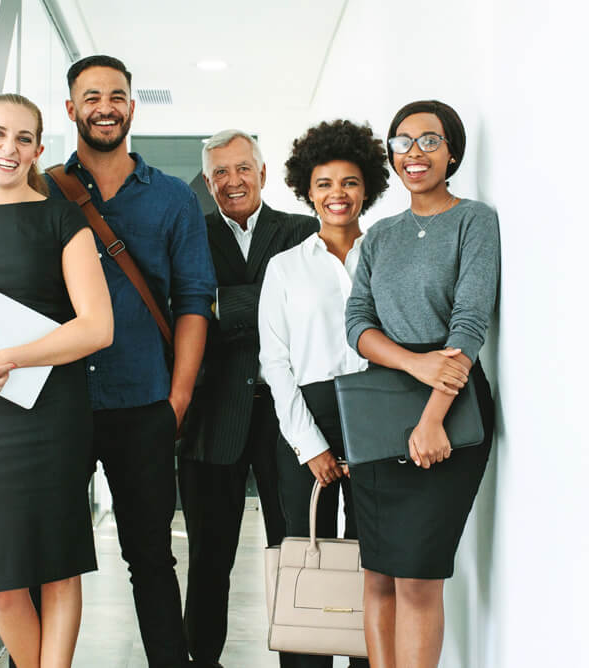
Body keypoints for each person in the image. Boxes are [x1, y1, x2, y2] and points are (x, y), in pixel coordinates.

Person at [0, 93, 113, 668]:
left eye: (25, 138)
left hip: (51, 413)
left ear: (37, 150)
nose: (10, 148)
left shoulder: (60, 217)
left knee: (57, 566)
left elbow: (97, 327)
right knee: (2, 583)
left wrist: (14, 357)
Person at [43, 55, 216, 668]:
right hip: (57, 401)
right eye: (91, 97)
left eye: (116, 95)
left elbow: (194, 300)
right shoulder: (42, 192)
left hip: (144, 400)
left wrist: (178, 398)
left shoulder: (171, 199)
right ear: (71, 110)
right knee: (47, 557)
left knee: (150, 556)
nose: (105, 107)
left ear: (132, 107)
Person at [345, 100, 499, 668]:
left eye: (429, 141)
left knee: (416, 578)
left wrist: (433, 416)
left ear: (452, 151)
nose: (415, 153)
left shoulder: (474, 220)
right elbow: (357, 323)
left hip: (451, 406)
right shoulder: (380, 235)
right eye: (403, 141)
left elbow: (469, 323)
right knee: (378, 574)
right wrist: (412, 365)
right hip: (381, 405)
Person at [178, 129, 318, 668]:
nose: (232, 181)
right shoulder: (191, 234)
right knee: (209, 562)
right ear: (208, 182)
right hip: (212, 418)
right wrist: (268, 302)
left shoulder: (304, 231)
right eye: (219, 173)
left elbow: (308, 311)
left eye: (242, 169)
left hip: (291, 418)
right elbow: (181, 309)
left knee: (296, 555)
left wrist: (220, 306)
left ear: (262, 172)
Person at [259, 120, 388, 668]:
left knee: (375, 554)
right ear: (307, 191)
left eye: (351, 182)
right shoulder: (285, 267)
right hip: (305, 414)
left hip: (378, 414)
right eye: (325, 182)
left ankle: (366, 657)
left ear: (368, 189)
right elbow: (275, 362)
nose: (339, 193)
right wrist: (308, 444)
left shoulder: (388, 255)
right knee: (305, 548)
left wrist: (380, 432)